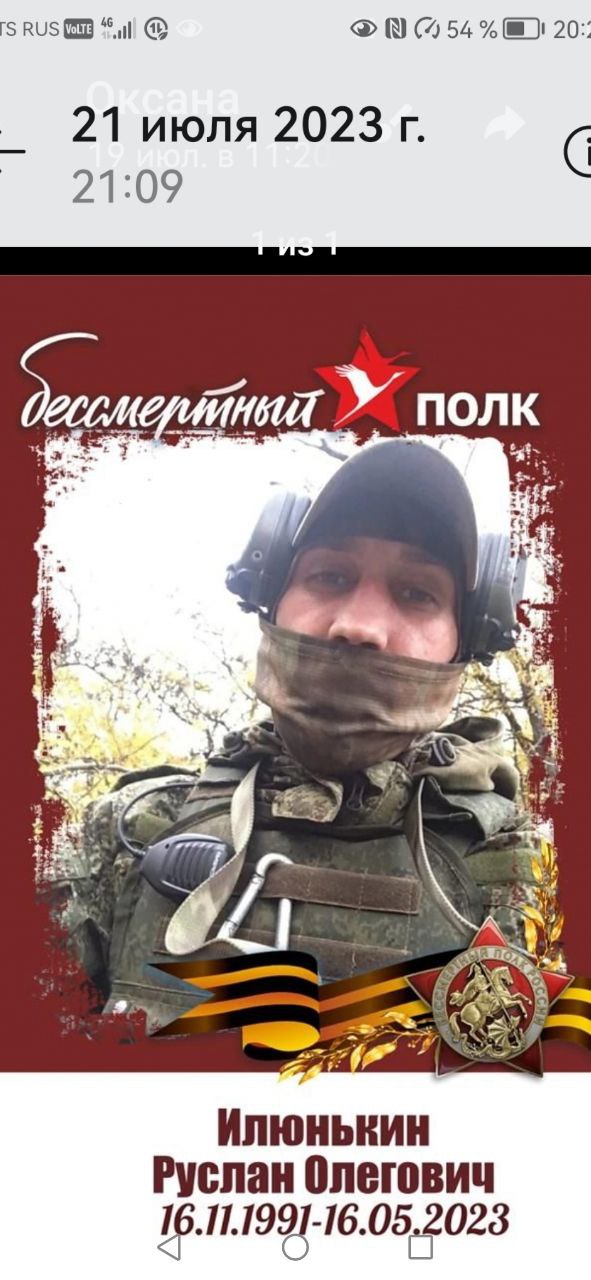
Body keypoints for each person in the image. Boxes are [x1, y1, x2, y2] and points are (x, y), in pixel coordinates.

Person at [68, 439, 541, 1031]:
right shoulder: (131, 831)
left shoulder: (532, 871)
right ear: (270, 601)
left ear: (464, 641)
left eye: (416, 593)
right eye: (330, 576)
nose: (359, 626)